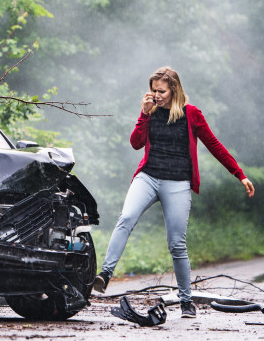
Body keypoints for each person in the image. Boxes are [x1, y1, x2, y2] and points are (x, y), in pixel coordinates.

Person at [92, 66, 255, 318]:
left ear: (174, 90)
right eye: (153, 90)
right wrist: (144, 115)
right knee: (126, 218)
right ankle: (104, 274)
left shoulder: (192, 114)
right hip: (148, 177)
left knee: (177, 244)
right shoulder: (150, 112)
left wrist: (239, 174)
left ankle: (186, 301)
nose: (156, 95)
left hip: (177, 183)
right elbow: (136, 143)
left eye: (161, 91)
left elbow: (214, 145)